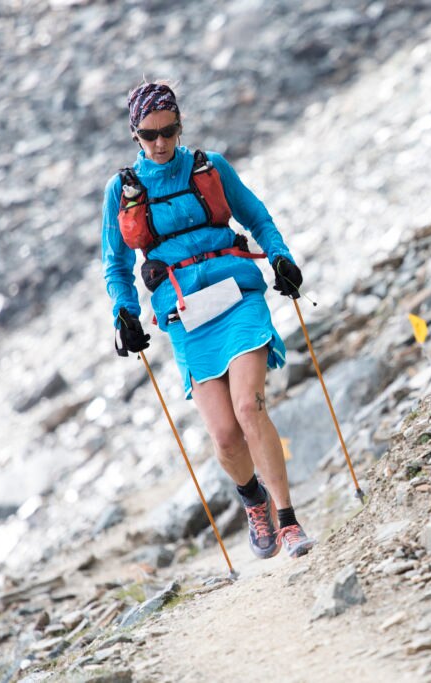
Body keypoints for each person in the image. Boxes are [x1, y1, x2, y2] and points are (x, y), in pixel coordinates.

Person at [101, 81, 315, 560]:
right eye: (150, 134)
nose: (161, 143)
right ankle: (252, 500)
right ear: (135, 135)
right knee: (223, 435)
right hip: (184, 315)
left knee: (248, 407)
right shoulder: (121, 191)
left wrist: (280, 257)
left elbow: (257, 218)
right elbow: (115, 265)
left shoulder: (210, 167)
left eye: (169, 131)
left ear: (180, 126)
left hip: (238, 295)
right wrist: (125, 313)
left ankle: (288, 522)